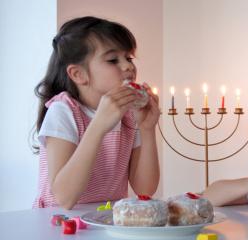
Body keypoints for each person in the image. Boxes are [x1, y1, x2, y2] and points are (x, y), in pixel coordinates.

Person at [33, 16, 160, 209]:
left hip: (106, 221)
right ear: (78, 74)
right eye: (112, 60)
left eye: (129, 58)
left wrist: (147, 128)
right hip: (59, 223)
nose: (128, 66)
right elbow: (64, 198)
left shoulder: (128, 115)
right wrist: (99, 125)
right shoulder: (63, 111)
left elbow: (145, 190)